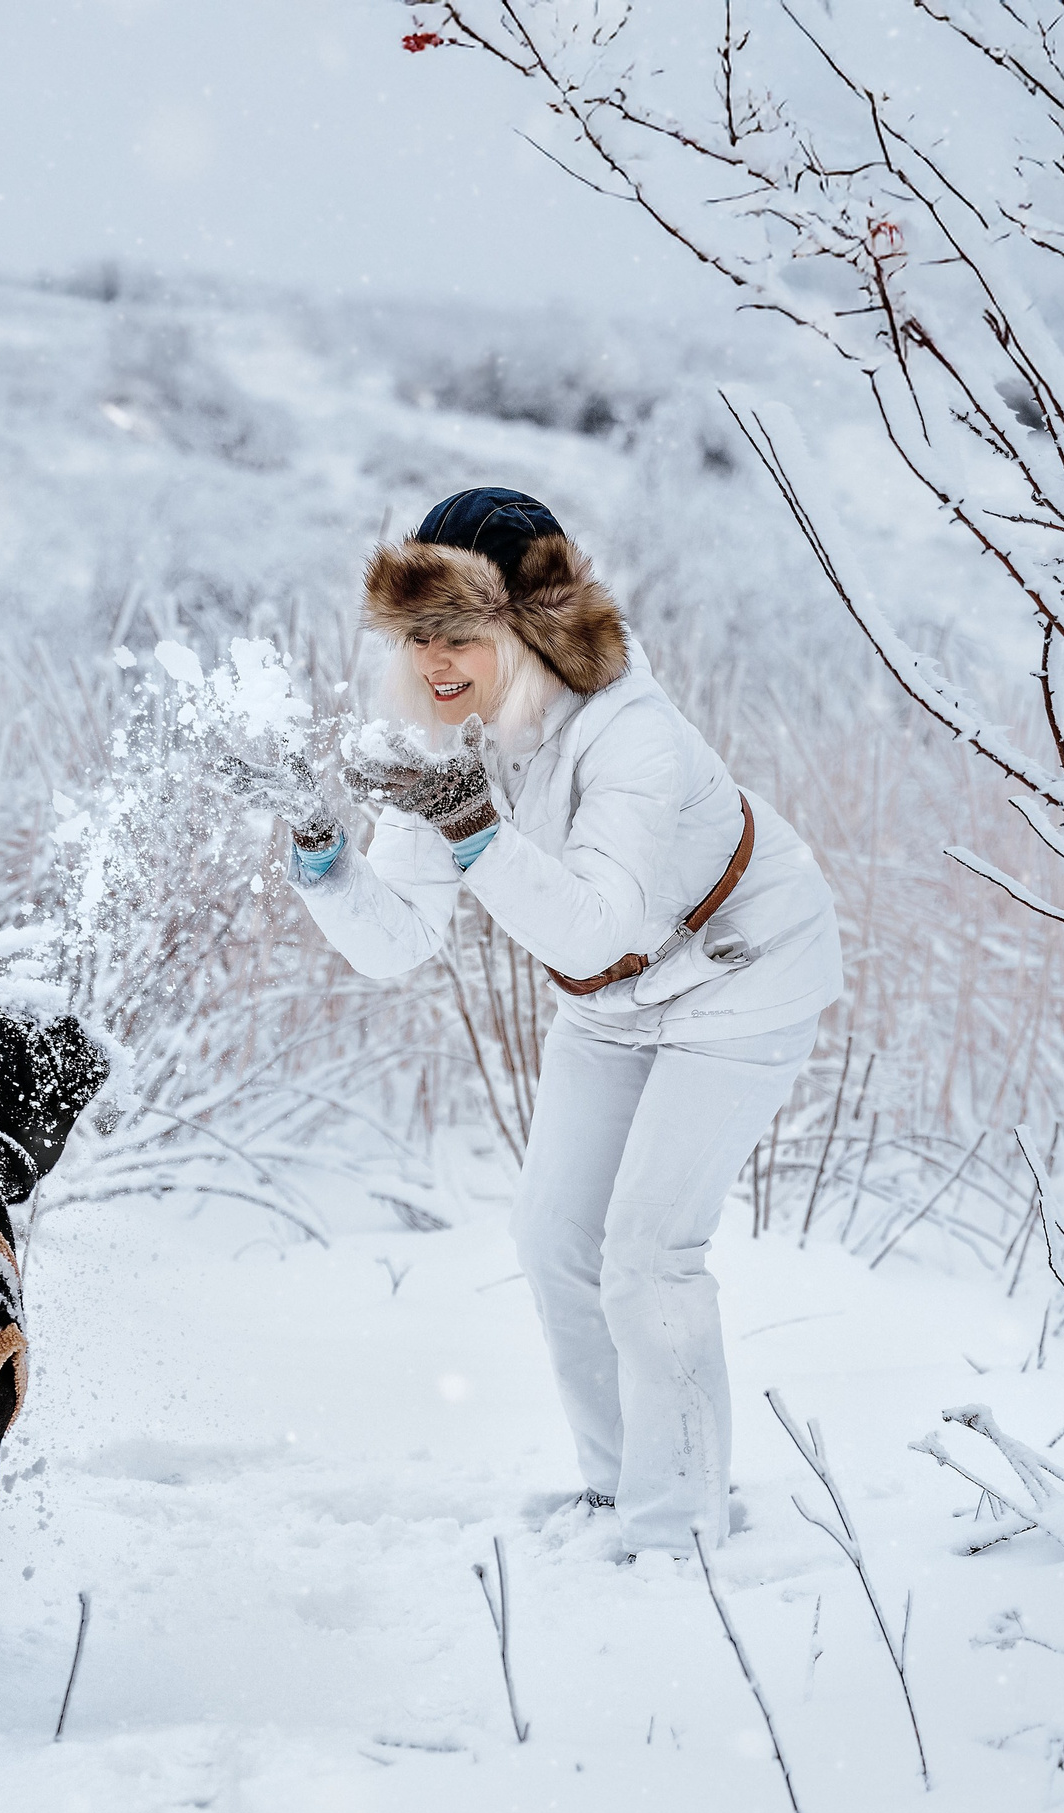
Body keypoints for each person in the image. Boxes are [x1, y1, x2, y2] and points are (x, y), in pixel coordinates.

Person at [223, 487, 843, 1556]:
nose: (435, 662)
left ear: (530, 629)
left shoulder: (630, 734)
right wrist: (322, 845)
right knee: (555, 1240)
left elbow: (597, 926)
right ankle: (616, 1492)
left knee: (648, 1253)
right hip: (610, 1000)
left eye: (459, 633)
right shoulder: (442, 729)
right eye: (417, 636)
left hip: (741, 971)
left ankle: (677, 1529)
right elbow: (397, 939)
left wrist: (469, 827)